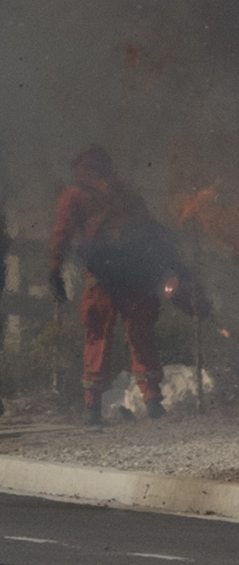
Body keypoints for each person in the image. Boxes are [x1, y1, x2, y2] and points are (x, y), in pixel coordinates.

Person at [46, 147, 167, 423]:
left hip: (104, 280)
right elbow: (149, 230)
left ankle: (94, 408)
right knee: (138, 337)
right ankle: (151, 403)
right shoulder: (124, 193)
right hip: (130, 278)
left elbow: (62, 233)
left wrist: (55, 269)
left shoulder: (75, 195)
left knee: (99, 339)